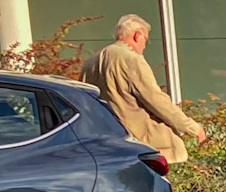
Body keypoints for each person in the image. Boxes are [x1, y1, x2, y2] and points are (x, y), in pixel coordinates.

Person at [83, 14, 207, 164]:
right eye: (146, 40)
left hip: (106, 143)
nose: (145, 46)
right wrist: (192, 128)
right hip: (142, 144)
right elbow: (156, 100)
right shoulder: (131, 59)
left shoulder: (90, 64)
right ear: (137, 36)